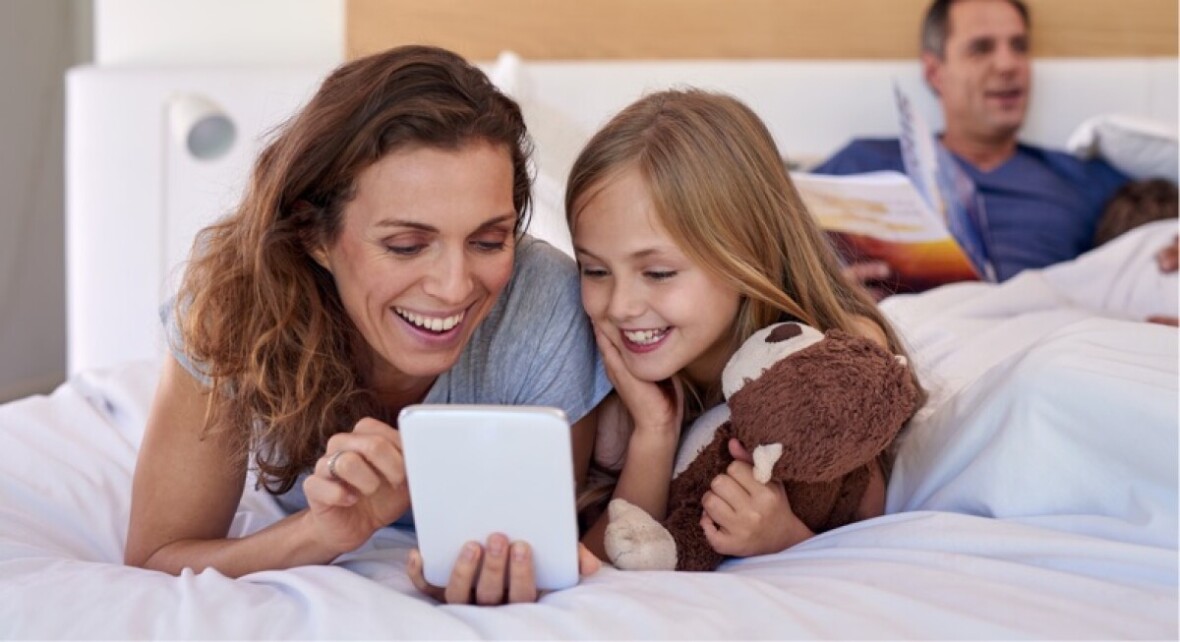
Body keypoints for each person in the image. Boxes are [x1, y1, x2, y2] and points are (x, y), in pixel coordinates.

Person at [124, 45, 610, 605]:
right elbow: (155, 559)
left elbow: (539, 541)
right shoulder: (234, 300)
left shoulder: (545, 302)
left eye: (488, 240)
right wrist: (321, 532)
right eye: (406, 245)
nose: (454, 286)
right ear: (313, 233)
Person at [565, 89, 925, 562]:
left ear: (746, 255)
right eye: (594, 270)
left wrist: (784, 537)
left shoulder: (819, 369)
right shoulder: (594, 363)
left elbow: (864, 543)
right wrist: (654, 431)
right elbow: (595, 565)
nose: (621, 305)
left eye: (658, 273)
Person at [813, 0, 1130, 289]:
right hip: (895, 339)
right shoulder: (859, 165)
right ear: (935, 73)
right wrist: (830, 294)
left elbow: (1157, 243)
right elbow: (771, 246)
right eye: (981, 48)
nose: (1008, 65)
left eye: (1019, 46)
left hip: (1042, 337)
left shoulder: (1082, 179)